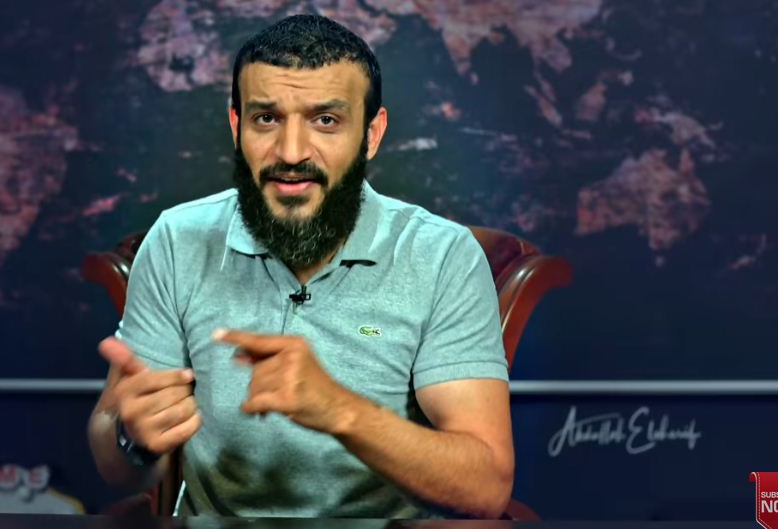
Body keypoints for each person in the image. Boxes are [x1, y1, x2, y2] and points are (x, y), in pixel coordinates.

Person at [88, 14, 513, 519]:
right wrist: (131, 437)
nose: (291, 153)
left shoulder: (442, 256)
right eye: (266, 119)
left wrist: (339, 410)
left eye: (325, 120)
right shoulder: (178, 240)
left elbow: (485, 487)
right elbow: (115, 464)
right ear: (237, 126)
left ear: (371, 134)